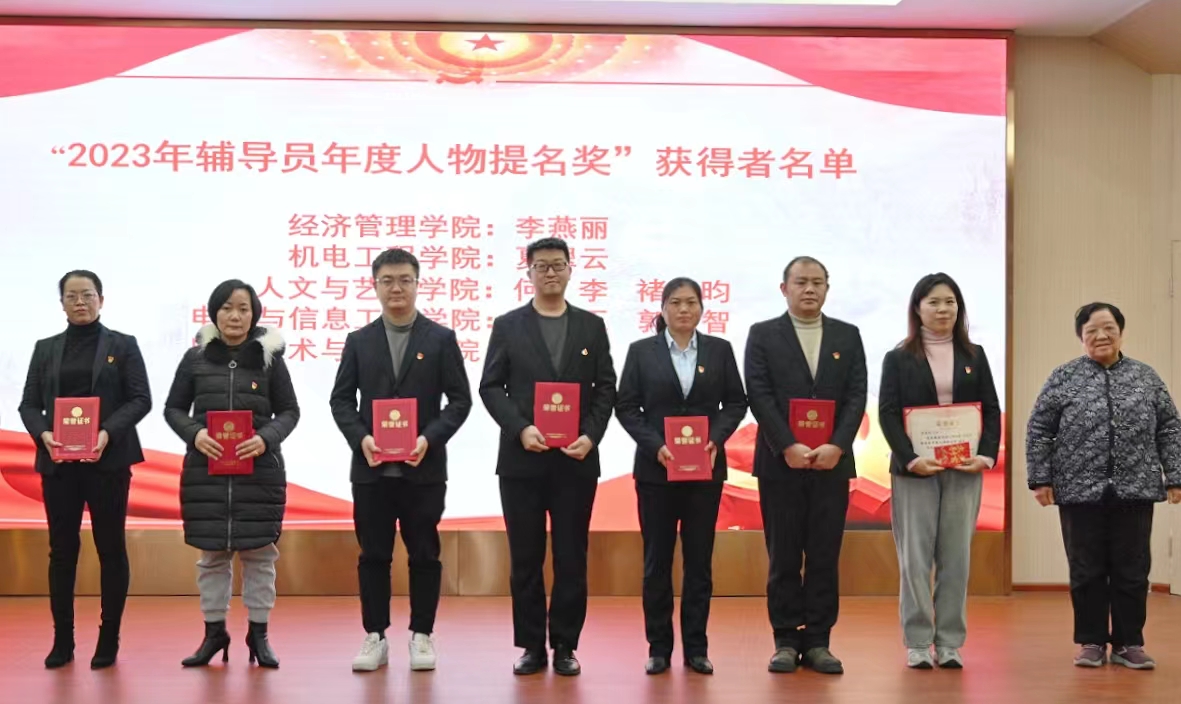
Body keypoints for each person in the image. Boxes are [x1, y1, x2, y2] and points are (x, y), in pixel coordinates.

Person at [479, 237, 617, 676]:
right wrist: (521, 428)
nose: (551, 272)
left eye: (558, 265)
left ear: (571, 269)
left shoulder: (591, 326)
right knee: (526, 557)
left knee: (571, 556)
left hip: (576, 460)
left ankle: (565, 645)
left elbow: (606, 388)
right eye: (542, 266)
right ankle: (532, 646)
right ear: (529, 273)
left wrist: (591, 436)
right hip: (522, 461)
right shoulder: (508, 326)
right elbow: (490, 386)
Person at [330, 248, 472, 672]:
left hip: (423, 470)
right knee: (373, 554)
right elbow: (341, 400)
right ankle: (375, 635)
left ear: (417, 283)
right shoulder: (359, 341)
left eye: (405, 279)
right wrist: (362, 438)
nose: (396, 287)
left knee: (424, 554)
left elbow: (460, 401)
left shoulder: (440, 339)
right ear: (374, 285)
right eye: (388, 280)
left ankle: (422, 634)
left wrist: (429, 437)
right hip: (371, 471)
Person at [1026, 302, 1181, 670]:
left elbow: (1170, 427)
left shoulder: (1145, 377)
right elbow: (1039, 430)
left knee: (1133, 569)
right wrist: (1040, 479)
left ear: (1121, 332)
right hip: (1079, 489)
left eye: (1109, 328)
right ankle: (1092, 641)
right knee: (1086, 569)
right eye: (1091, 330)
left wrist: (1175, 475)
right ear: (1081, 337)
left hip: (1135, 488)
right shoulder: (1064, 377)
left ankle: (1129, 643)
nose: (1101, 335)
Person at [18, 270, 152, 669]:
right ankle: (63, 640)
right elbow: (28, 404)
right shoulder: (45, 348)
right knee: (62, 551)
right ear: (61, 303)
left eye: (88, 295)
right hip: (59, 464)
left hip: (107, 462)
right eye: (72, 295)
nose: (80, 302)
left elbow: (140, 399)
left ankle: (108, 638)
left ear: (101, 300)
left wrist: (107, 432)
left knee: (111, 548)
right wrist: (43, 434)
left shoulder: (123, 345)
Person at [163, 279, 300, 669]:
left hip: (259, 474)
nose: (235, 316)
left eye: (243, 308)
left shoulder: (270, 360)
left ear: (254, 314)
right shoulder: (195, 359)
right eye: (226, 308)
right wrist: (195, 434)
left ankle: (259, 635)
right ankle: (214, 634)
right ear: (214, 313)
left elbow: (290, 411)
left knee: (260, 557)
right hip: (206, 475)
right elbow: (173, 409)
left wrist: (265, 439)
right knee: (212, 557)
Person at [615, 277, 748, 676]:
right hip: (656, 472)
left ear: (702, 308)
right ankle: (658, 648)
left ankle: (696, 648)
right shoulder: (642, 352)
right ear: (662, 309)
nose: (684, 309)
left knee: (699, 562)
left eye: (691, 302)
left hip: (705, 472)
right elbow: (626, 406)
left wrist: (716, 438)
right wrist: (655, 444)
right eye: (675, 303)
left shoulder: (719, 351)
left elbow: (736, 402)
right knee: (656, 562)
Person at [744, 256, 867, 675]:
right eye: (801, 282)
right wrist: (787, 445)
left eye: (817, 282)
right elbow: (758, 394)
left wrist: (838, 445)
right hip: (780, 464)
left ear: (827, 288)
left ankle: (818, 641)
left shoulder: (847, 335)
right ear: (785, 289)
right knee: (782, 555)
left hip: (832, 465)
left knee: (823, 555)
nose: (809, 289)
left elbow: (857, 394)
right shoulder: (763, 334)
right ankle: (784, 639)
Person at [877, 273, 1001, 669]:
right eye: (933, 302)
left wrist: (986, 456)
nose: (942, 309)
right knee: (915, 559)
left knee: (956, 557)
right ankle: (917, 641)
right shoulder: (898, 357)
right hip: (915, 470)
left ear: (958, 308)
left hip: (964, 469)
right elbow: (887, 413)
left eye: (950, 302)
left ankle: (949, 642)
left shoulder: (975, 355)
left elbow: (991, 409)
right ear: (918, 309)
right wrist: (911, 458)